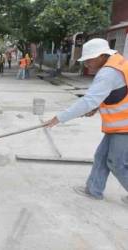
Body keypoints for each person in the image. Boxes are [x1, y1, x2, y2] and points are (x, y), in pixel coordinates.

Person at [46, 38, 128, 205]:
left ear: (102, 56)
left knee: (116, 162)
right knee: (101, 157)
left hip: (124, 125)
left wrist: (59, 117)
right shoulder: (119, 62)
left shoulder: (108, 72)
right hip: (120, 125)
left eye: (90, 59)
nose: (87, 64)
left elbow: (88, 101)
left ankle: (94, 189)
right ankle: (93, 189)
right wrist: (97, 107)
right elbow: (118, 91)